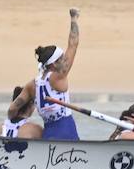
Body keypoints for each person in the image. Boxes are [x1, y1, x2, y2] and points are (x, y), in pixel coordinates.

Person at [8, 9, 80, 141]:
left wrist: (12, 125)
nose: (65, 61)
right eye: (62, 58)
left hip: (47, 134)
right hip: (66, 131)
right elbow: (73, 44)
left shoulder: (32, 85)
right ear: (54, 64)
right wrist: (74, 18)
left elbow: (13, 108)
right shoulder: (59, 76)